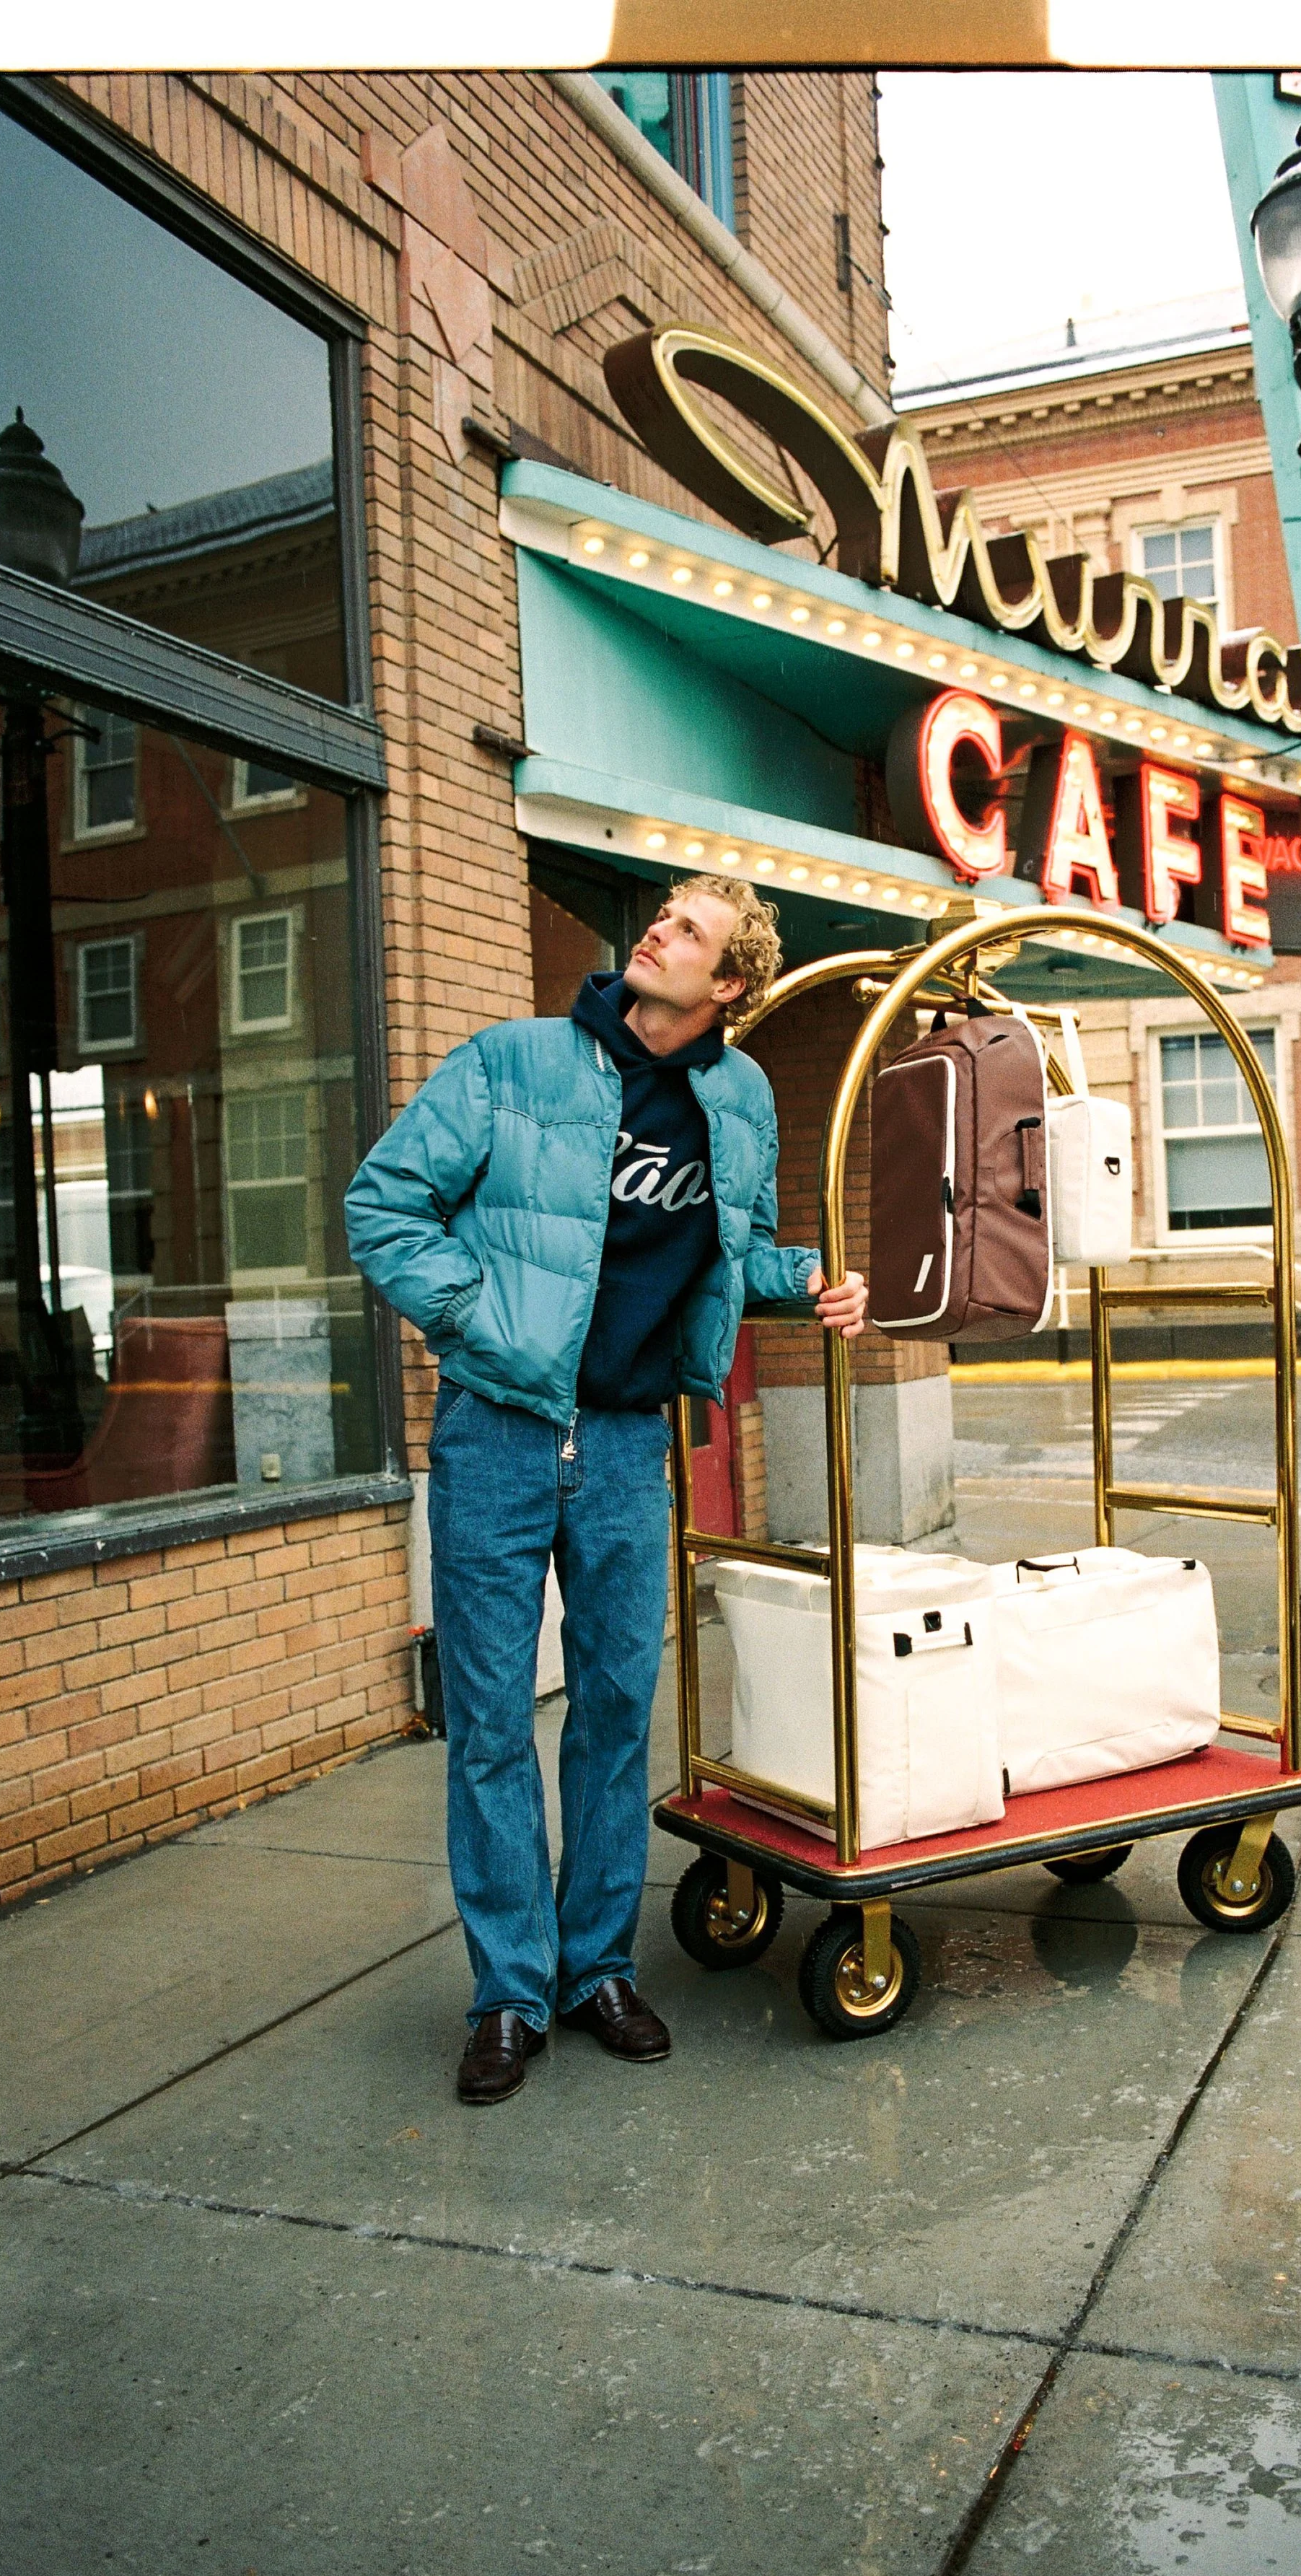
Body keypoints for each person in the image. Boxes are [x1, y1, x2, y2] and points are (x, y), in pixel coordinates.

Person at [345, 877, 867, 2104]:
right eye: (666, 915)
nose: (660, 932)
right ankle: (508, 1993)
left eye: (690, 930)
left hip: (633, 1445)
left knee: (619, 1711)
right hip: (500, 1432)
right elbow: (385, 1205)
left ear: (726, 985)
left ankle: (595, 1971)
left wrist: (813, 1282)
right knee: (487, 1723)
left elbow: (735, 1251)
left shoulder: (738, 1099)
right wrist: (485, 1324)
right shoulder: (512, 1063)